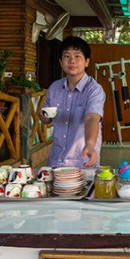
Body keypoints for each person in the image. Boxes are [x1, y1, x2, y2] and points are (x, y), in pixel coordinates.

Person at [41, 36, 106, 168]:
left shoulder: (94, 90)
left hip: (82, 161)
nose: (72, 61)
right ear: (60, 62)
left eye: (77, 56)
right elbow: (45, 118)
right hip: (56, 161)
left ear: (87, 62)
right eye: (67, 56)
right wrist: (42, 115)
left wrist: (90, 144)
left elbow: (92, 117)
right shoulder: (54, 87)